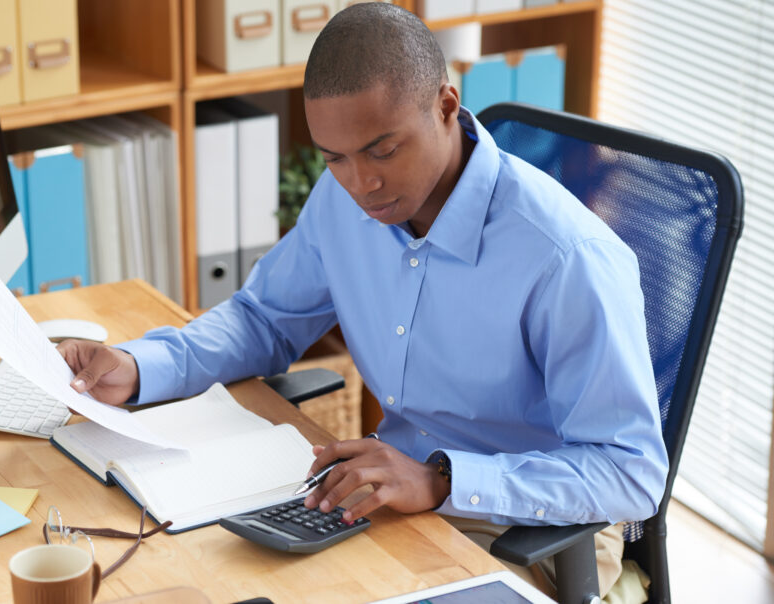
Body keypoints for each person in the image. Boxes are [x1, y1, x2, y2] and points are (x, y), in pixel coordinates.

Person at [58, 3, 667, 599]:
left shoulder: (565, 257)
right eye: (335, 158)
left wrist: (443, 480)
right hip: (391, 496)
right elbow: (264, 318)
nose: (360, 183)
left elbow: (631, 471)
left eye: (382, 149)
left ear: (446, 107)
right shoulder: (343, 198)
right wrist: (141, 367)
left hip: (530, 529)